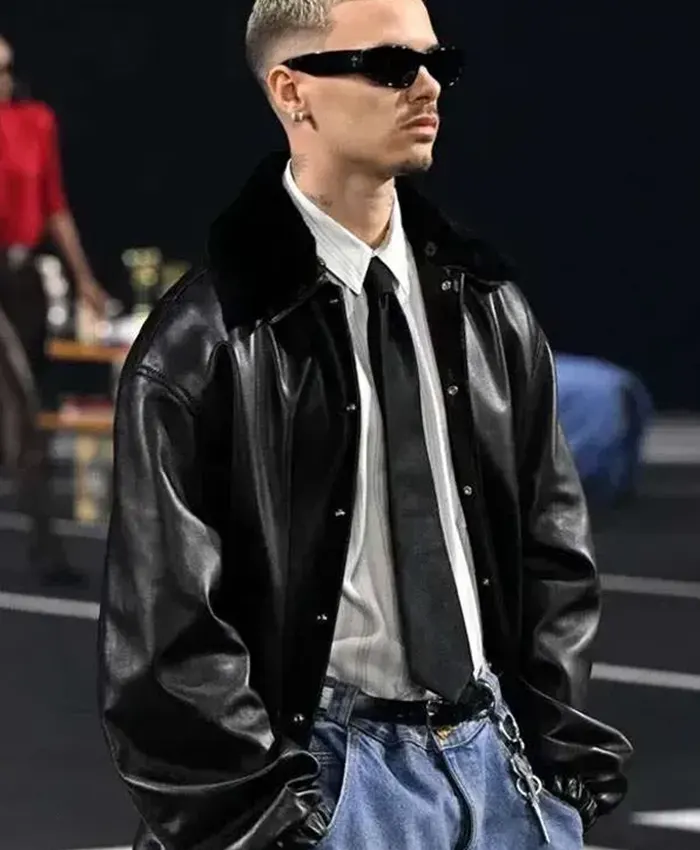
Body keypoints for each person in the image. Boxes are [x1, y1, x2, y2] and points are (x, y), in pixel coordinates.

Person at [98, 1, 632, 848]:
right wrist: (274, 822)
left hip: (503, 768)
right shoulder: (203, 345)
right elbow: (167, 638)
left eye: (437, 62)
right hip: (324, 781)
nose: (427, 87)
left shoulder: (489, 308)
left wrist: (555, 766)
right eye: (388, 65)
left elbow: (554, 549)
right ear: (291, 91)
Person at [0, 35, 108, 582]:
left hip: (23, 283)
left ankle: (45, 549)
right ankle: (46, 551)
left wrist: (84, 278)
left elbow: (54, 206)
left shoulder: (35, 122)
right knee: (19, 405)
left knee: (23, 413)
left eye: (5, 68)